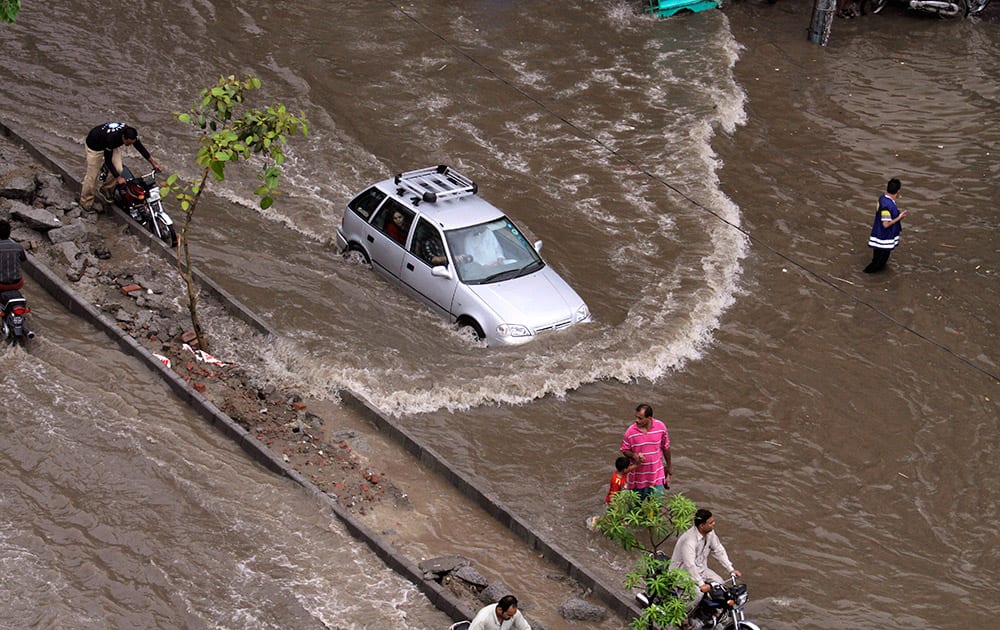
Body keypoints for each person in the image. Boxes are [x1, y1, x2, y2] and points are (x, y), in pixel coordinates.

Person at [81, 122, 162, 212]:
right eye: (128, 143)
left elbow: (140, 148)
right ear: (123, 137)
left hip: (111, 146)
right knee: (92, 176)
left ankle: (106, 189)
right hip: (95, 146)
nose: (130, 145)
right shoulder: (111, 138)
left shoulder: (130, 133)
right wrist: (118, 178)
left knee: (119, 169)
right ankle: (86, 202)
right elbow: (108, 161)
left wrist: (154, 163)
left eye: (132, 143)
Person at [669, 509, 741, 609]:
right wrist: (701, 584)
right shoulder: (689, 540)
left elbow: (718, 550)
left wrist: (731, 569)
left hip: (701, 569)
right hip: (683, 572)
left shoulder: (710, 534)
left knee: (721, 584)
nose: (714, 524)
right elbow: (689, 565)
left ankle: (706, 611)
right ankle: (682, 617)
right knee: (697, 593)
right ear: (702, 525)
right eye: (711, 523)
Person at [620, 403, 672, 500]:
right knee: (634, 509)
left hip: (656, 476)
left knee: (655, 508)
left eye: (640, 418)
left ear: (649, 418)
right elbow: (624, 449)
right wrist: (634, 455)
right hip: (637, 478)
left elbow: (666, 447)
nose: (637, 420)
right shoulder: (630, 432)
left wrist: (669, 467)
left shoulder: (661, 427)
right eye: (636, 417)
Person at [864, 177, 907, 274]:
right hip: (884, 237)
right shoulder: (887, 206)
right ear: (898, 191)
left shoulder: (883, 199)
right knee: (878, 263)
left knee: (877, 259)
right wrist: (899, 217)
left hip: (880, 234)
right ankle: (869, 274)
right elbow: (886, 224)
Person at [586, 455, 637, 530]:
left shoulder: (622, 473)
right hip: (613, 502)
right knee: (610, 519)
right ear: (624, 469)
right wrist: (615, 507)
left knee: (616, 518)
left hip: (619, 500)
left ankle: (617, 522)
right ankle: (597, 520)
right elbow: (613, 495)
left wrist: (639, 463)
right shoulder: (616, 481)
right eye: (629, 467)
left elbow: (632, 468)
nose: (630, 468)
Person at [0, 220, 27, 291]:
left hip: (1, 284)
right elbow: (23, 260)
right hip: (17, 283)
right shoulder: (18, 246)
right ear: (9, 232)